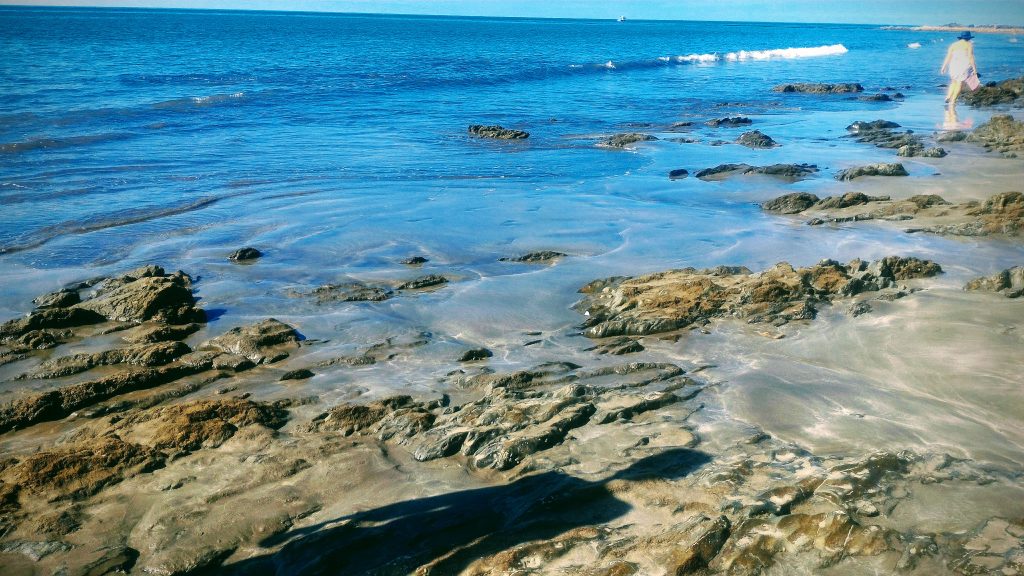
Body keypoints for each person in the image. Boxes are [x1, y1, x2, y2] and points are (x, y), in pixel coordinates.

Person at [940, 31, 978, 109]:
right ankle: (953, 101)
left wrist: (943, 66)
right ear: (968, 38)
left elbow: (948, 56)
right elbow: (970, 57)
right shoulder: (968, 45)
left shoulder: (953, 45)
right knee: (959, 83)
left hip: (953, 65)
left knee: (953, 81)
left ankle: (948, 96)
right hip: (963, 66)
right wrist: (974, 68)